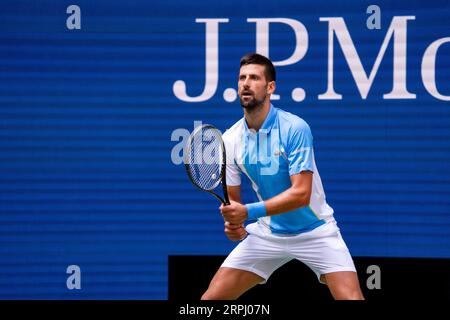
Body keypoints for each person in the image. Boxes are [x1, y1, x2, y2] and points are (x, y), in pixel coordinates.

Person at [201, 53, 365, 300]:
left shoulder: (295, 128)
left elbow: (301, 194)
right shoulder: (230, 140)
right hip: (269, 233)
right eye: (241, 78)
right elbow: (235, 204)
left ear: (270, 87)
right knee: (210, 301)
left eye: (254, 78)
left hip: (316, 230)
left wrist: (247, 213)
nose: (245, 83)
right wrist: (234, 224)